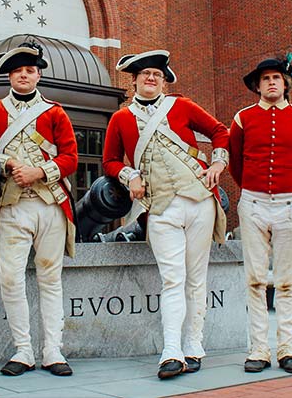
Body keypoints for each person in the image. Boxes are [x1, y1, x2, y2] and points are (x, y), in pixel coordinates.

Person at [102, 50, 230, 380]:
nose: (150, 79)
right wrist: (129, 176)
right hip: (160, 208)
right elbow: (110, 161)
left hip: (200, 200)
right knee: (172, 279)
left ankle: (194, 345)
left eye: (156, 75)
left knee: (196, 277)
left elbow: (220, 131)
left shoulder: (182, 106)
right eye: (144, 74)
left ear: (164, 80)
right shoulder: (121, 118)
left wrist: (217, 162)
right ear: (133, 81)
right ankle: (171, 351)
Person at [0, 42, 78, 377]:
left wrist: (40, 172)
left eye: (29, 71)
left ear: (38, 75)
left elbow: (70, 158)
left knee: (51, 279)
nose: (23, 76)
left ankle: (53, 350)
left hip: (49, 205)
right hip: (10, 205)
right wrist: (10, 162)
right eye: (18, 71)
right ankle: (22, 350)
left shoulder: (55, 112)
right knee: (11, 280)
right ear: (10, 76)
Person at [228, 54, 292, 375]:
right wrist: (251, 190)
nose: (271, 83)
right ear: (257, 85)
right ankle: (258, 348)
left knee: (284, 281)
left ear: (286, 84)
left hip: (287, 206)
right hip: (252, 204)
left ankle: (286, 348)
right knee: (254, 279)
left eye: (276, 78)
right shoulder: (242, 119)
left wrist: (291, 191)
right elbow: (236, 164)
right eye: (265, 78)